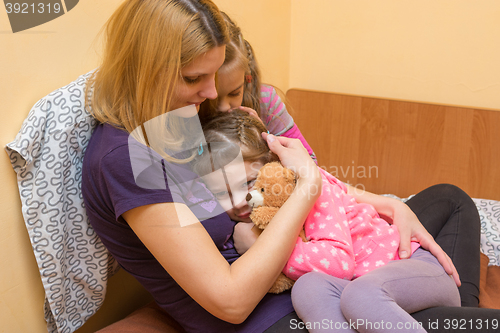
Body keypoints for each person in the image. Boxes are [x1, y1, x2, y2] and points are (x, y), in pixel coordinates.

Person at [82, 1, 319, 332]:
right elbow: (231, 301)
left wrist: (382, 205)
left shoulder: (177, 119)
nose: (210, 92)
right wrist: (308, 185)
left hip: (307, 287)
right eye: (194, 78)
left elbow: (272, 177)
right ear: (145, 71)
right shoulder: (126, 158)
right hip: (269, 317)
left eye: (214, 74)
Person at [193, 110, 467, 332]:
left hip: (413, 269)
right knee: (308, 288)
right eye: (221, 194)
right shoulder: (255, 215)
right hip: (362, 288)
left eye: (250, 182)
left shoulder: (313, 190)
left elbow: (338, 263)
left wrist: (260, 246)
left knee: (362, 295)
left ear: (273, 166)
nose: (241, 200)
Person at [199, 12, 317, 163]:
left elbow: (310, 162)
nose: (222, 107)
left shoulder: (265, 102)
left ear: (246, 78)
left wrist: (266, 142)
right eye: (212, 98)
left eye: (235, 93)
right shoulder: (187, 111)